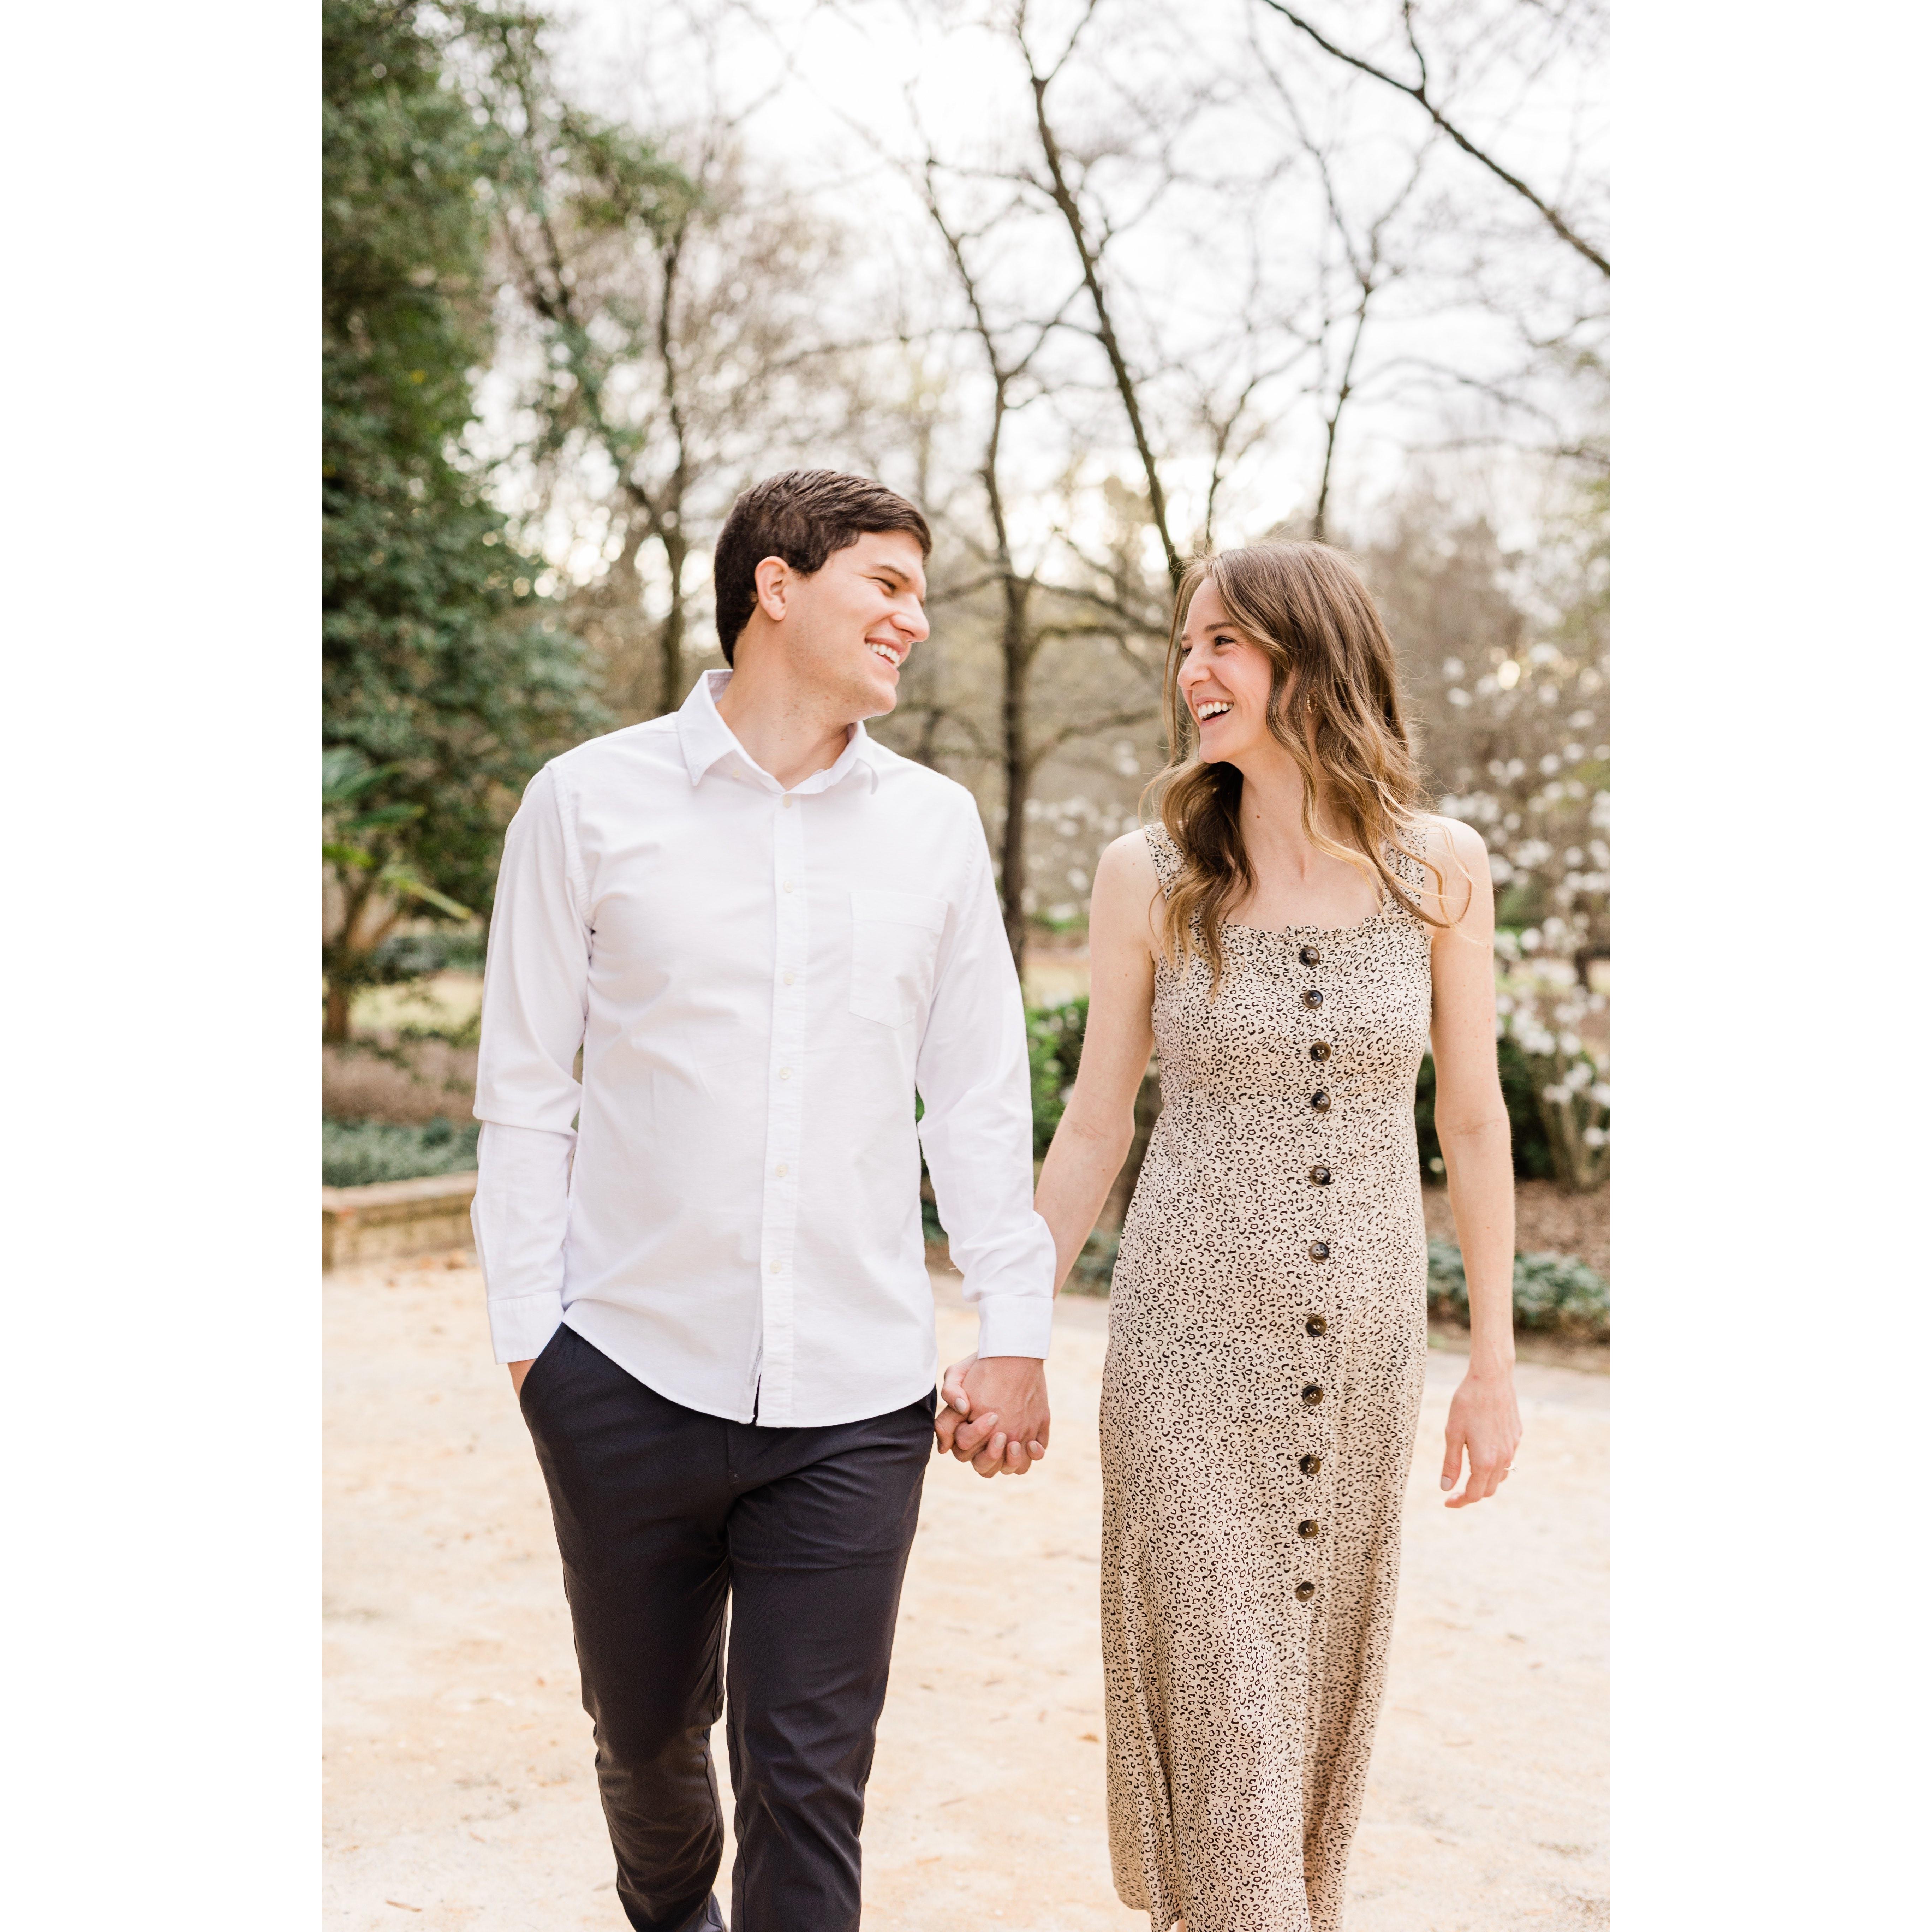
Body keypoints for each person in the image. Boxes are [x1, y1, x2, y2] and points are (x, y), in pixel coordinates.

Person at [470, 469, 1055, 1932]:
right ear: (775, 586)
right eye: (888, 585)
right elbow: (526, 1089)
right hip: (624, 1374)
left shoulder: (935, 827)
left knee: (809, 1782)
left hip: (855, 1400)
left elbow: (978, 1097)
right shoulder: (585, 802)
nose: (915, 620)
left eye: (921, 594)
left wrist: (1016, 1326)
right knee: (648, 1744)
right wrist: (537, 1350)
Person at [938, 541, 1523, 1931]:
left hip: (1362, 1354)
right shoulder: (1147, 874)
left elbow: (1475, 1120)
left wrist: (1492, 1366)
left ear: (1311, 660)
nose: (1192, 671)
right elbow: (1095, 1128)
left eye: (1225, 644)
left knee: (1304, 1699)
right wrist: (1011, 1334)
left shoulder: (1441, 868)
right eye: (1187, 645)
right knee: (1229, 1707)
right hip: (1186, 1356)